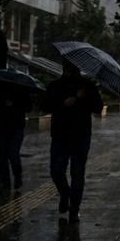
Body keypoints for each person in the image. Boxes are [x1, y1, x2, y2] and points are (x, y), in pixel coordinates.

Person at [44, 60, 103, 223]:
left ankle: (74, 209)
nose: (70, 71)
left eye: (73, 68)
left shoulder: (87, 86)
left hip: (81, 135)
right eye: (67, 68)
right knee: (56, 171)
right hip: (60, 135)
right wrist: (64, 103)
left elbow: (98, 107)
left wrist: (87, 96)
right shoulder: (56, 86)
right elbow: (46, 106)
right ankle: (65, 194)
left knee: (77, 174)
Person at [0, 86, 33, 190]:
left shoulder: (21, 93)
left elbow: (29, 107)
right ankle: (5, 182)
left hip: (16, 128)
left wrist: (15, 104)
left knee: (13, 154)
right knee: (2, 156)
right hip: (1, 128)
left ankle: (17, 177)